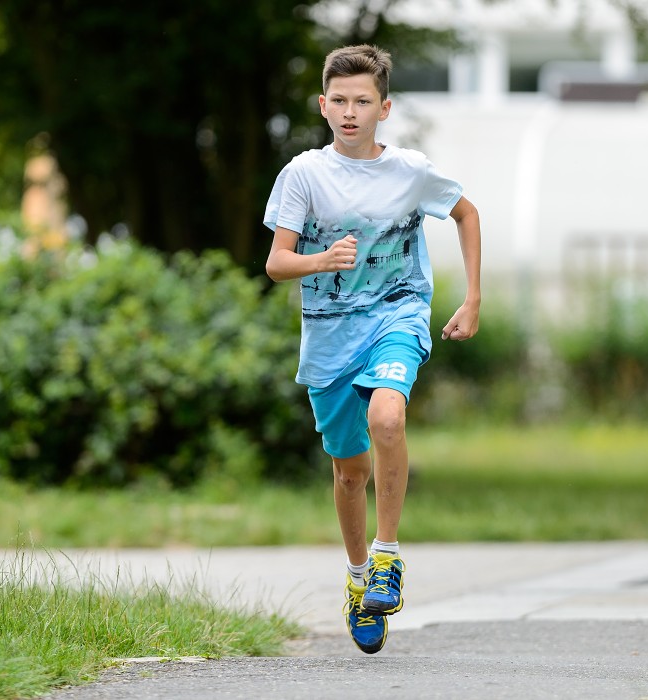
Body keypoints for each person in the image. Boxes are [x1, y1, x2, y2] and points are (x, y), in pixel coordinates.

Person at [263, 44, 481, 654]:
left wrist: (472, 299)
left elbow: (467, 215)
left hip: (397, 314)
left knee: (389, 414)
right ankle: (359, 578)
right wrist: (320, 258)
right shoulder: (303, 175)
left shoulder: (411, 171)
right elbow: (278, 262)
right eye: (340, 101)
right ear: (323, 106)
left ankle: (386, 557)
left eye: (363, 101)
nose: (351, 112)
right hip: (331, 334)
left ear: (384, 107)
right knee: (348, 471)